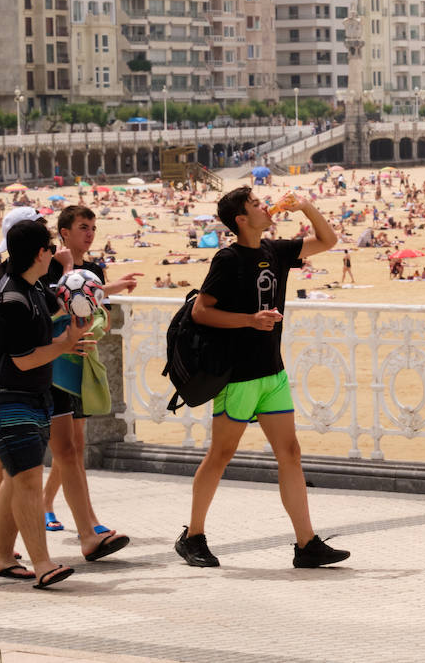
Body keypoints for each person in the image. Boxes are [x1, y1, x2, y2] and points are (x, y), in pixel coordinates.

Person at [174, 187, 349, 569]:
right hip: (238, 376)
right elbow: (202, 311)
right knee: (220, 455)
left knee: (291, 454)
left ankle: (306, 544)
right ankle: (192, 537)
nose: (264, 206)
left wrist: (306, 207)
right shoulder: (228, 258)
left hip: (273, 373)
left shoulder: (275, 251)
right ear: (241, 219)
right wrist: (250, 321)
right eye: (255, 204)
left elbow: (327, 240)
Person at [0, 218, 94, 589]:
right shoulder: (12, 298)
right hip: (6, 399)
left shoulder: (31, 290)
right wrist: (64, 345)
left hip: (28, 397)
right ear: (41, 254)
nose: (54, 254)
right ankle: (43, 564)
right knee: (28, 478)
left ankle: (0, 557)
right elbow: (22, 358)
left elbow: (57, 317)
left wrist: (72, 331)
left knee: (16, 477)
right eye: (50, 249)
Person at [39, 206, 139, 557]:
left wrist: (110, 295)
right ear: (63, 232)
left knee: (75, 447)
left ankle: (57, 509)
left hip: (81, 364)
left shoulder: (94, 270)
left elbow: (102, 315)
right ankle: (82, 522)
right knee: (67, 448)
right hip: (54, 365)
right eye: (83, 227)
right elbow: (62, 304)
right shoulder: (49, 267)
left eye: (93, 227)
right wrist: (69, 272)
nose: (90, 233)